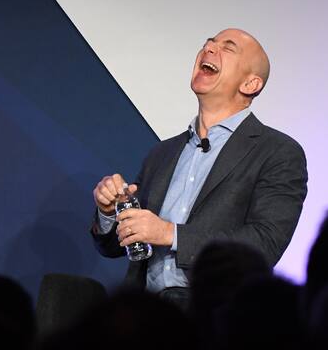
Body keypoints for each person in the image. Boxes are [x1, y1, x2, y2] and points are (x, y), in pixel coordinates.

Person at [91, 28, 307, 307]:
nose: (209, 49)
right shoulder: (162, 153)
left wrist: (170, 234)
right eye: (208, 44)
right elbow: (114, 247)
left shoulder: (277, 152)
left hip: (212, 317)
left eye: (227, 48)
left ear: (250, 84)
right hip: (146, 315)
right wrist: (110, 212)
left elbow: (265, 244)